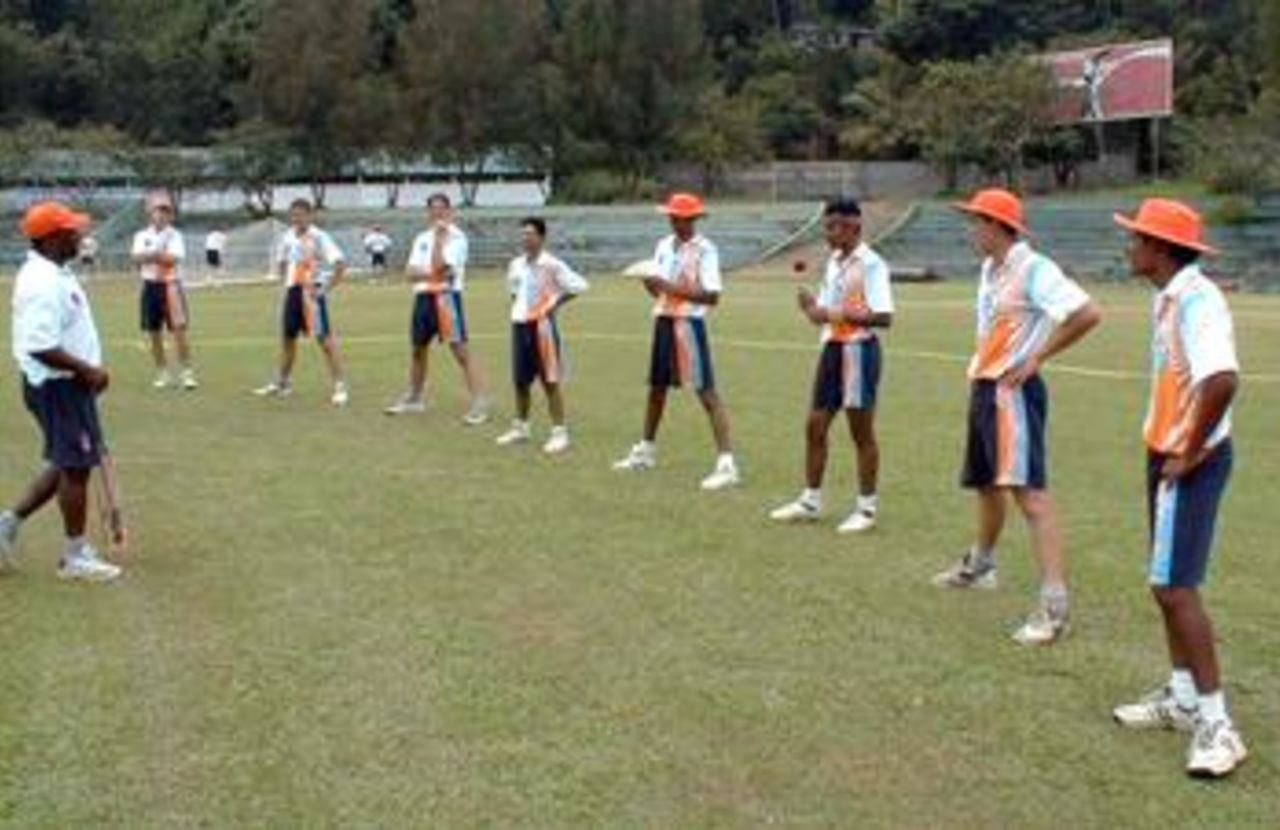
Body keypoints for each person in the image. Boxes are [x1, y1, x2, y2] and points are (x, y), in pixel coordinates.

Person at [1110, 198, 1246, 778]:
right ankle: (1183, 697)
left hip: (1190, 459)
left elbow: (1222, 379)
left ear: (1162, 249)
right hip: (1167, 452)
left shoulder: (1196, 299)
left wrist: (1189, 453)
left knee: (1175, 586)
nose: (1129, 246)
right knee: (1164, 581)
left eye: (1137, 238)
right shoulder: (1169, 298)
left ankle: (1218, 725)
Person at [931, 188, 1101, 646]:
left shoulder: (1034, 268)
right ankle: (981, 565)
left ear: (996, 225)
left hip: (1013, 394)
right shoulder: (991, 268)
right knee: (987, 483)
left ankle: (1054, 607)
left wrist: (1038, 358)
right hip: (986, 387)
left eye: (975, 222)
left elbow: (1086, 313)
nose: (970, 230)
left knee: (1031, 495)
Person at [0, 201, 122, 582]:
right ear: (53, 238)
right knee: (75, 468)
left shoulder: (55, 271)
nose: (80, 236)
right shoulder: (41, 282)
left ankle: (7, 523)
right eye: (72, 231)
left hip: (67, 386)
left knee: (66, 461)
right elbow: (40, 345)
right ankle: (74, 555)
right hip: (59, 386)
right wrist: (87, 370)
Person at [769, 197, 893, 532]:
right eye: (827, 226)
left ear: (855, 227)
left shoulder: (871, 264)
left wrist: (829, 313)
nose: (828, 233)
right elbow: (824, 313)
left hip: (859, 351)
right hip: (833, 350)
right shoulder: (835, 262)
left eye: (834, 226)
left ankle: (866, 509)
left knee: (860, 431)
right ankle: (811, 500)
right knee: (815, 426)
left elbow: (883, 316)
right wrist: (811, 309)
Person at [611, 193, 739, 491]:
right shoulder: (663, 246)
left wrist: (666, 286)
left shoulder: (706, 250)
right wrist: (648, 283)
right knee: (656, 388)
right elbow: (661, 294)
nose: (671, 221)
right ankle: (646, 450)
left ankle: (727, 463)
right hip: (664, 321)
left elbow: (712, 295)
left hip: (689, 325)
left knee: (706, 392)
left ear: (690, 219)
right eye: (670, 216)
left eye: (676, 216)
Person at [384, 193, 489, 424]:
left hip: (447, 298)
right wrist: (431, 272)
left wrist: (441, 243)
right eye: (433, 209)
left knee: (461, 352)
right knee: (418, 350)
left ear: (450, 211)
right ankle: (414, 398)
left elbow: (443, 267)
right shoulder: (421, 237)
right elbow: (409, 273)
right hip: (423, 298)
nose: (437, 213)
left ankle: (479, 402)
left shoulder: (458, 238)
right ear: (428, 212)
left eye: (442, 208)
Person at [494, 217, 589, 455]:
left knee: (550, 380)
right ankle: (521, 427)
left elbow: (579, 285)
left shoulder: (552, 264)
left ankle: (560, 433)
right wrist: (520, 310)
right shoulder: (516, 264)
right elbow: (513, 292)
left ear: (541, 237)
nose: (525, 238)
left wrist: (553, 304)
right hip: (520, 325)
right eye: (523, 234)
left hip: (543, 328)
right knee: (520, 380)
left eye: (530, 234)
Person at [253, 199, 350, 406]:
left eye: (301, 214)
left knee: (324, 340)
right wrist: (285, 284)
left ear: (310, 215)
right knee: (288, 338)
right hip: (293, 292)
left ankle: (340, 386)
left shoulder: (320, 237)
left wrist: (324, 288)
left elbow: (340, 264)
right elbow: (282, 262)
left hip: (311, 293)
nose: (297, 219)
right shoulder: (287, 237)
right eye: (294, 215)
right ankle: (283, 383)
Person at [131, 192, 197, 390]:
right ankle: (162, 372)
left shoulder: (175, 235)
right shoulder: (141, 235)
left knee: (179, 331)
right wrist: (157, 254)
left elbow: (174, 259)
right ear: (150, 213)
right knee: (154, 332)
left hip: (171, 286)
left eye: (165, 211)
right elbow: (136, 258)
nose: (161, 215)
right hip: (150, 285)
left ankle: (187, 373)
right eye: (158, 210)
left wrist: (151, 255)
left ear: (170, 215)